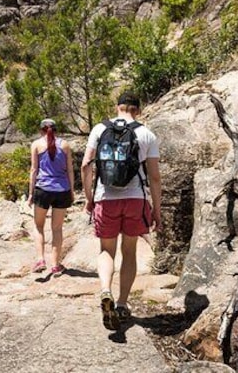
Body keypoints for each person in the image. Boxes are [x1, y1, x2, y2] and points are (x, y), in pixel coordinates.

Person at [81, 91, 162, 330]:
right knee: (129, 251)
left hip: (105, 198)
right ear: (138, 110)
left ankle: (105, 289)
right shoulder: (146, 133)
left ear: (117, 107)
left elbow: (86, 165)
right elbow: (155, 178)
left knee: (106, 250)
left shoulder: (99, 129)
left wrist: (88, 198)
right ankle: (123, 303)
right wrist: (156, 210)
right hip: (135, 199)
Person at [28, 118, 75, 276]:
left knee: (38, 226)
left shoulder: (36, 145)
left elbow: (34, 170)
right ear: (56, 130)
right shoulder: (66, 145)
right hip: (62, 190)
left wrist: (30, 194)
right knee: (57, 228)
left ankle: (41, 259)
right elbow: (69, 170)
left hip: (43, 189)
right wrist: (72, 191)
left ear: (41, 130)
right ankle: (55, 265)